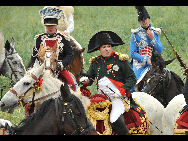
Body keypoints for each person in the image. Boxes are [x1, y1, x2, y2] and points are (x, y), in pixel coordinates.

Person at [80, 31, 137, 135]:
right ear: (99, 49)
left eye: (109, 46)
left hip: (118, 97)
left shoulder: (121, 60)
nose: (107, 49)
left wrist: (122, 90)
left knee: (114, 119)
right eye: (104, 47)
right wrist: (85, 80)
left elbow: (132, 78)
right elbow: (90, 79)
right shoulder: (95, 62)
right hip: (101, 98)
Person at [30, 7, 76, 91]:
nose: (50, 28)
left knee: (73, 86)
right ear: (45, 26)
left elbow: (70, 54)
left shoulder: (63, 38)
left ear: (56, 26)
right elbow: (34, 56)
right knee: (29, 88)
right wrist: (34, 69)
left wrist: (62, 64)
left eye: (52, 25)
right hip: (42, 69)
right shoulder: (39, 38)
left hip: (59, 69)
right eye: (48, 26)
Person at [130, 6, 163, 92]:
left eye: (145, 19)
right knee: (132, 84)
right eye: (141, 20)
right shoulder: (135, 34)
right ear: (139, 22)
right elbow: (132, 53)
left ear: (149, 19)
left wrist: (152, 38)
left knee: (167, 76)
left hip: (154, 62)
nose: (144, 22)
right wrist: (145, 59)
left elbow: (160, 50)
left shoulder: (155, 32)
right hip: (139, 64)